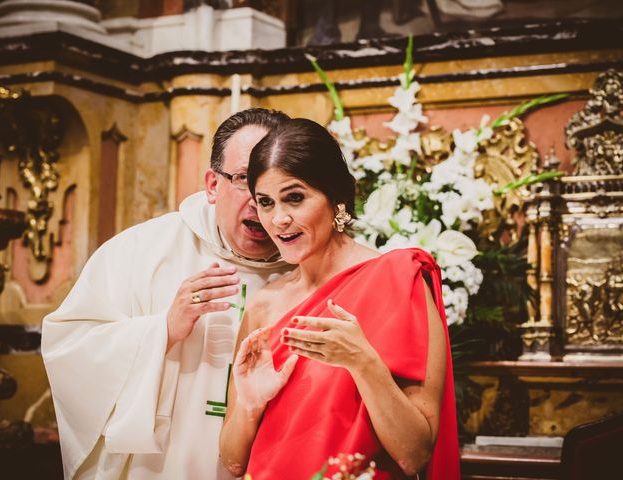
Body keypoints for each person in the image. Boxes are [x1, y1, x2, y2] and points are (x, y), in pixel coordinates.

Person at [41, 108, 292, 479]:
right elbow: (69, 347)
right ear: (212, 184)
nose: (258, 199)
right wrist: (163, 330)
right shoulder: (143, 250)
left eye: (275, 183)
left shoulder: (313, 265)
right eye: (244, 179)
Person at [219, 118, 460, 479]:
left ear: (338, 198)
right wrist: (250, 406)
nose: (278, 219)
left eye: (295, 198)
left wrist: (363, 364)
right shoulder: (263, 306)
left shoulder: (398, 279)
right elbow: (233, 462)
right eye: (265, 202)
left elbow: (415, 453)